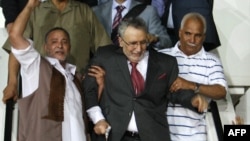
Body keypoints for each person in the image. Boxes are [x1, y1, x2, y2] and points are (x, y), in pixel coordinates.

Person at [83, 17, 208, 141]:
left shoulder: (165, 63)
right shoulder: (105, 57)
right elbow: (89, 90)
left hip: (152, 135)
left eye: (143, 42)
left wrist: (193, 99)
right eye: (133, 43)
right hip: (112, 134)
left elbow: (175, 91)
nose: (138, 49)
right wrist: (98, 119)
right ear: (121, 41)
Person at [8, 0, 92, 140]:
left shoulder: (75, 77)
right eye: (54, 42)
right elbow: (14, 36)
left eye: (64, 42)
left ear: (69, 47)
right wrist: (29, 6)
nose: (60, 45)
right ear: (46, 47)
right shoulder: (36, 66)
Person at [2, 0, 112, 103]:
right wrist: (12, 83)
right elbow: (17, 47)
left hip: (77, 89)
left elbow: (105, 50)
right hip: (42, 87)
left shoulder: (84, 11)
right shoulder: (36, 11)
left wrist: (100, 76)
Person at [159, 12, 227, 140]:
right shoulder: (161, 56)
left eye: (197, 35)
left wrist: (191, 85)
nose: (192, 40)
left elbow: (221, 91)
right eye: (188, 34)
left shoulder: (212, 61)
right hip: (162, 134)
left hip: (195, 136)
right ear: (180, 32)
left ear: (204, 37)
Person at [92, 0, 172, 49]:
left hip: (136, 63)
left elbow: (166, 42)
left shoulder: (148, 11)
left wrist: (154, 39)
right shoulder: (96, 11)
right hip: (106, 64)